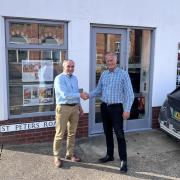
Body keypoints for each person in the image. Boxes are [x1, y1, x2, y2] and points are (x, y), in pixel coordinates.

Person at [88, 52, 134, 173]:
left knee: (119, 134)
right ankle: (110, 155)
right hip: (104, 107)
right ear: (106, 62)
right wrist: (88, 95)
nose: (110, 62)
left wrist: (127, 109)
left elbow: (130, 94)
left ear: (116, 61)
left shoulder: (123, 74)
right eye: (108, 60)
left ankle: (123, 160)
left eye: (112, 60)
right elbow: (98, 90)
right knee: (107, 133)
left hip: (117, 108)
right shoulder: (104, 74)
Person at [53, 59, 87, 168]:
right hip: (63, 108)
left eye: (72, 66)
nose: (71, 68)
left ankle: (69, 154)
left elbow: (76, 93)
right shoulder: (59, 79)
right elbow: (65, 95)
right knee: (60, 134)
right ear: (64, 67)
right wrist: (80, 95)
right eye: (68, 66)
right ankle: (56, 156)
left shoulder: (75, 78)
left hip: (74, 108)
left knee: (72, 133)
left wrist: (80, 107)